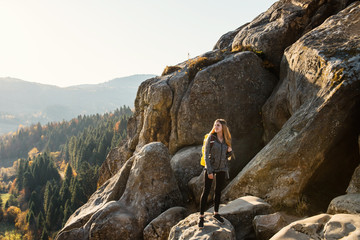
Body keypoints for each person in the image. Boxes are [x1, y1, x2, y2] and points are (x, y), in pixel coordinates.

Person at [198, 119, 232, 229]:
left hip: (222, 168)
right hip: (210, 168)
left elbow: (226, 157)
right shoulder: (211, 138)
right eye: (215, 125)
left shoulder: (226, 140)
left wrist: (230, 152)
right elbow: (206, 154)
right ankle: (201, 217)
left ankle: (216, 213)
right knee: (206, 191)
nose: (216, 127)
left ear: (223, 128)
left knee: (218, 191)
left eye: (218, 125)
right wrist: (209, 171)